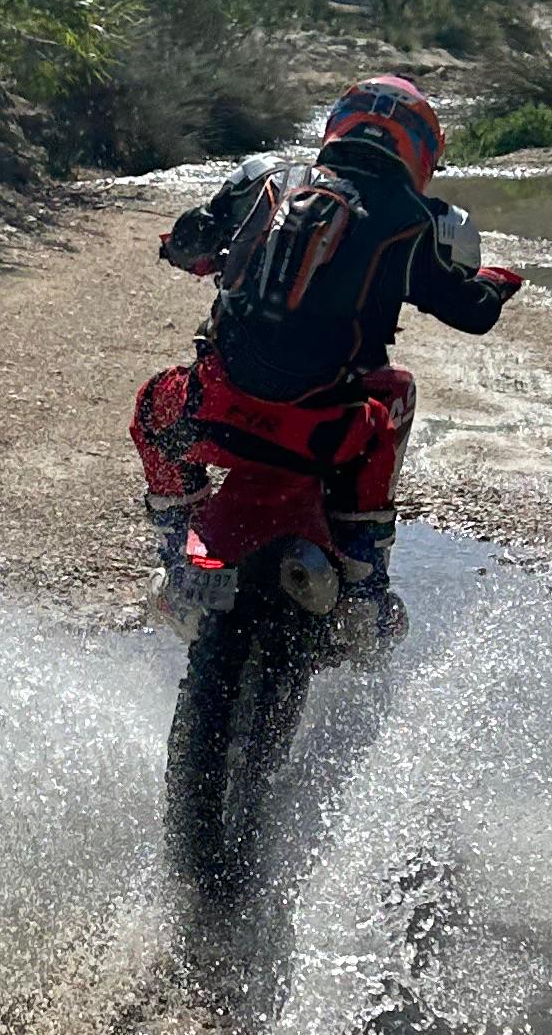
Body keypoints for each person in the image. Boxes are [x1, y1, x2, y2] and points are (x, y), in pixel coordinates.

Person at [129, 74, 522, 640]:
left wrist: (194, 252)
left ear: (338, 124)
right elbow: (474, 313)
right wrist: (496, 281)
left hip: (217, 411)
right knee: (394, 399)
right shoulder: (413, 220)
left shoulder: (267, 181)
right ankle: (364, 585)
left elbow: (188, 244)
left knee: (153, 407)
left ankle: (173, 555)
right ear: (420, 150)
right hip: (325, 431)